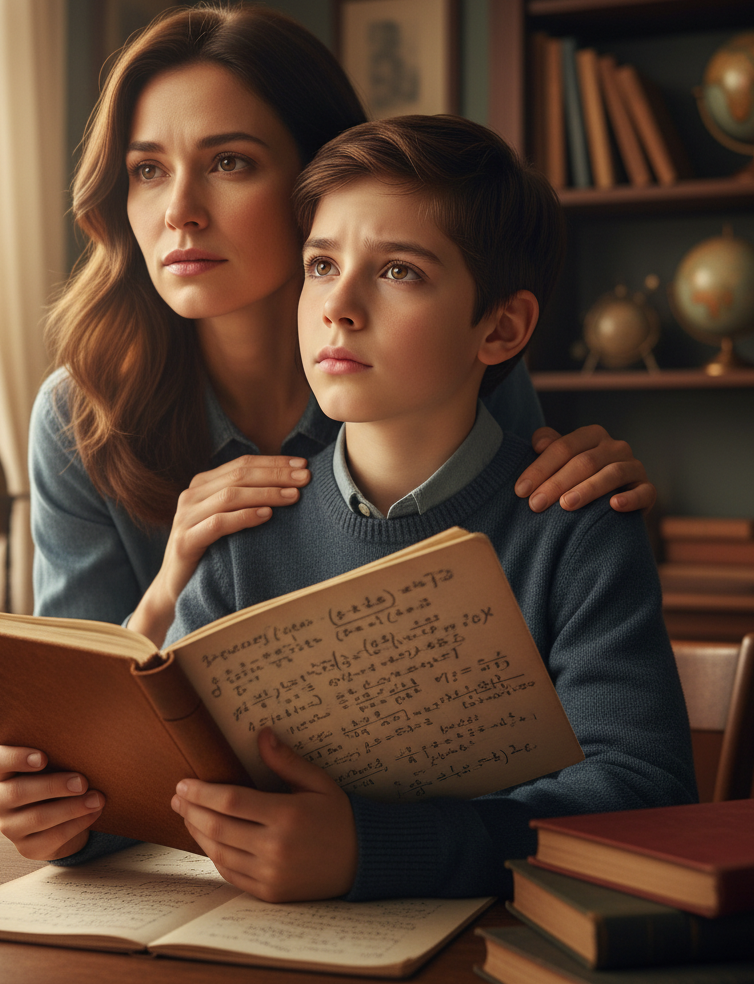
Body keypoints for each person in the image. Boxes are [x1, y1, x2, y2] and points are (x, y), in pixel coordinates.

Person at [0, 3, 660, 866]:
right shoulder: (81, 418)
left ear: (321, 178)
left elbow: (522, 559)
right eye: (147, 170)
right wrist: (65, 793)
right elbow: (107, 759)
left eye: (229, 162)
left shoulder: (467, 381)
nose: (180, 211)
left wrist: (595, 482)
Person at [163, 116, 697, 903]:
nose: (338, 306)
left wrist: (375, 850)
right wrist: (77, 810)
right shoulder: (247, 523)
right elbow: (171, 769)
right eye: (320, 264)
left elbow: (645, 795)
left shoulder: (576, 523)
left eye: (399, 272)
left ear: (501, 327)